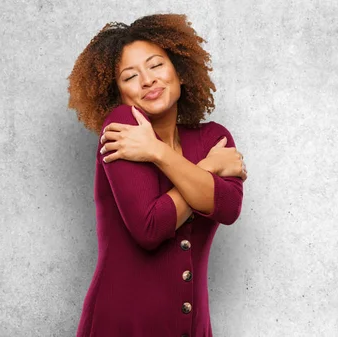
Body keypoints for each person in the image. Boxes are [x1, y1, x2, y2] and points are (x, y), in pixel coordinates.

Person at [67, 14, 247, 337]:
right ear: (118, 93)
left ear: (179, 71)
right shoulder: (121, 128)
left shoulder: (213, 138)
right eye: (130, 76)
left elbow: (229, 207)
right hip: (121, 326)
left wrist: (157, 152)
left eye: (156, 65)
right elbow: (149, 228)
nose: (148, 80)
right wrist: (205, 168)